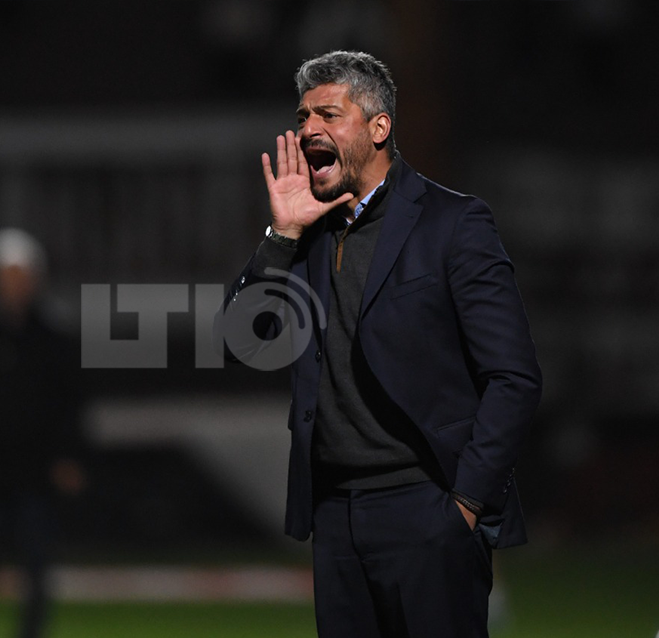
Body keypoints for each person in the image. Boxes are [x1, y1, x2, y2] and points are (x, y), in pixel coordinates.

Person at [216, 51, 542, 638]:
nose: (308, 129)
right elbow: (238, 343)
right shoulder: (304, 232)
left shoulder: (452, 223)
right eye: (303, 117)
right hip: (335, 515)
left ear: (379, 127)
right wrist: (282, 234)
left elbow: (513, 377)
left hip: (428, 506)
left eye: (328, 114)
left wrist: (465, 505)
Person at [0, 228, 86, 638]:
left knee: (37, 566)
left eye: (20, 274)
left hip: (36, 470)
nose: (13, 284)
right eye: (5, 275)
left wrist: (68, 456)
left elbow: (71, 403)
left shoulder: (52, 339)